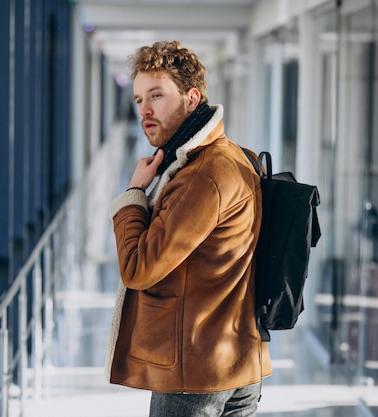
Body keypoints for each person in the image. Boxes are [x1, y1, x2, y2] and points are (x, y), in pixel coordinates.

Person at [105, 41, 272, 417]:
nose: (144, 110)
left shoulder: (202, 176)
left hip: (197, 374)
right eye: (138, 100)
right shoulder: (234, 155)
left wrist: (134, 195)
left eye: (157, 96)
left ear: (192, 98)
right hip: (236, 360)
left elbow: (139, 268)